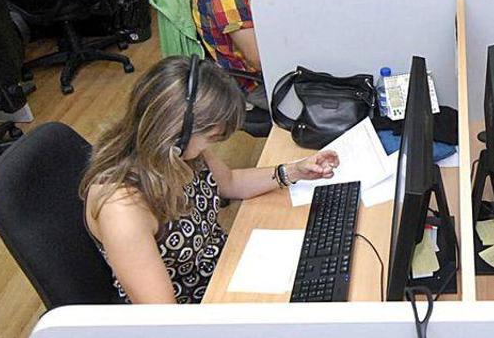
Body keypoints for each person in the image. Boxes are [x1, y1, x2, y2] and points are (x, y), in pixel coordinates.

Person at [81, 57, 340, 304]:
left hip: (226, 269)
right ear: (173, 133)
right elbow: (163, 316)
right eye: (211, 137)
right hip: (200, 307)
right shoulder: (122, 206)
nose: (212, 145)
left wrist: (293, 171)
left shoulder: (181, 153)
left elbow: (230, 183)